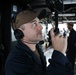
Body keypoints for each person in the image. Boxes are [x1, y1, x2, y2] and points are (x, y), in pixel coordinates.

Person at [5, 9, 73, 75]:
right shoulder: (16, 61)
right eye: (34, 24)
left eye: (39, 22)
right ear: (19, 32)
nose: (41, 27)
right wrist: (59, 54)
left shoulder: (37, 49)